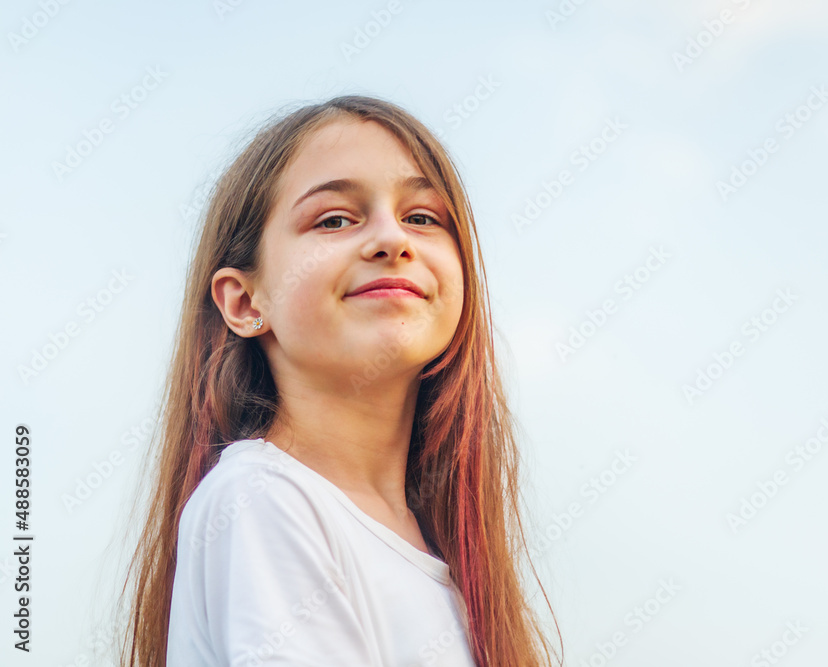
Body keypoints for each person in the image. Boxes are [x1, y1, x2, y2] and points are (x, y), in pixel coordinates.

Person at [114, 95, 563, 666]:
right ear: (246, 300)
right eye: (334, 220)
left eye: (422, 217)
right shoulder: (262, 500)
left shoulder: (443, 555)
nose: (391, 240)